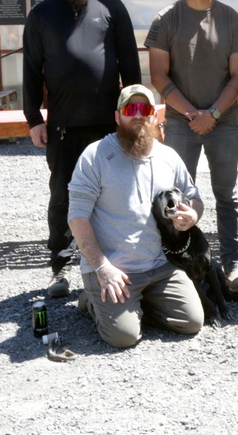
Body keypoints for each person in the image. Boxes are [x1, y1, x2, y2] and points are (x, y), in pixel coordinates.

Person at [22, 0, 142, 298]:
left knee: (116, 194)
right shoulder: (41, 15)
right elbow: (30, 71)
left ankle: (115, 262)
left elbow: (131, 70)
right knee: (62, 197)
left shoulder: (112, 9)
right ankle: (60, 269)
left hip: (109, 127)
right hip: (62, 127)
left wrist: (135, 117)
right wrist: (33, 119)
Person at [144, 0, 238, 296]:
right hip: (180, 122)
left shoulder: (232, 20)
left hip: (223, 121)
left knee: (226, 194)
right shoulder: (165, 19)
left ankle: (233, 265)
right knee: (172, 197)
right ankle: (176, 265)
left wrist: (214, 114)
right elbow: (159, 76)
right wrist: (193, 114)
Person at [68, 84, 204, 348]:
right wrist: (102, 267)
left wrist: (193, 216)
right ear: (118, 116)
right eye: (131, 109)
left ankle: (135, 306)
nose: (139, 115)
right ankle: (91, 299)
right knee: (124, 338)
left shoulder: (169, 156)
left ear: (155, 116)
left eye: (146, 109)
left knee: (192, 322)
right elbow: (77, 218)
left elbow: (195, 198)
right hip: (113, 269)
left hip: (158, 266)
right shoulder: (95, 156)